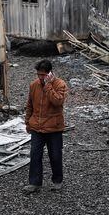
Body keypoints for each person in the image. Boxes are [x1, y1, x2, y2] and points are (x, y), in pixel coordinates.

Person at [24, 60, 67, 193]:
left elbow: (58, 102)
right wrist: (27, 122)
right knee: (35, 155)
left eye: (43, 75)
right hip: (37, 127)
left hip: (54, 127)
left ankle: (57, 181)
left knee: (55, 155)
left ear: (49, 73)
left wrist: (48, 86)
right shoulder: (33, 85)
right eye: (38, 75)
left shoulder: (60, 84)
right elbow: (29, 105)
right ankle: (35, 183)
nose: (40, 78)